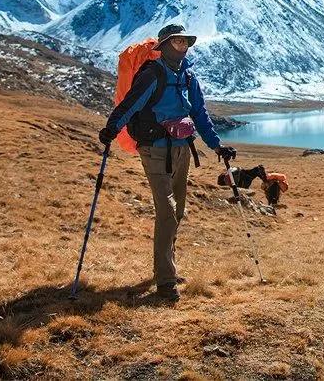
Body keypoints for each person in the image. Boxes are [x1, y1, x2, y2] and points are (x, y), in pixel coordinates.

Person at [98, 24, 233, 302]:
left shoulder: (188, 76)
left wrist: (216, 144)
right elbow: (130, 105)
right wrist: (112, 127)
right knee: (167, 211)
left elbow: (200, 113)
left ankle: (166, 267)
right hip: (155, 150)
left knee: (178, 211)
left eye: (185, 41)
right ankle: (166, 281)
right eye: (177, 41)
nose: (183, 45)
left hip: (182, 149)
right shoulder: (151, 74)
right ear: (165, 45)